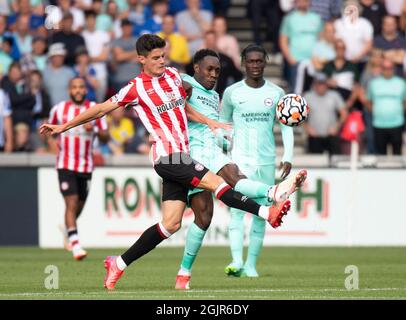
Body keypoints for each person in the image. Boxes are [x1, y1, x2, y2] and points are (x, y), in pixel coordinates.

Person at [40, 34, 307, 289]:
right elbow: (100, 109)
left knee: (170, 224)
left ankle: (118, 263)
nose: (162, 61)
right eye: (156, 58)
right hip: (167, 156)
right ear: (141, 59)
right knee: (217, 183)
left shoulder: (171, 77)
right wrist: (63, 126)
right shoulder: (135, 88)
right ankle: (266, 211)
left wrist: (209, 121)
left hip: (183, 156)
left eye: (163, 56)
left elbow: (183, 107)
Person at [175, 45, 295, 290]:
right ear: (196, 68)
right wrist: (180, 84)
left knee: (208, 212)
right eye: (209, 69)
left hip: (218, 153)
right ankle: (272, 194)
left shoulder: (216, 95)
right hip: (191, 157)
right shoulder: (187, 83)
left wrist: (221, 138)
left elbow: (220, 126)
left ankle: (184, 273)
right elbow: (176, 86)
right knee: (181, 222)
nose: (213, 74)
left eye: (217, 70)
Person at [221, 45, 295, 278]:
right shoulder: (232, 92)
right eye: (250, 61)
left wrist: (288, 156)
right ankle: (236, 261)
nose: (255, 65)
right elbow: (223, 125)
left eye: (259, 61)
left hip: (265, 161)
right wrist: (223, 155)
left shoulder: (276, 93)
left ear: (266, 62)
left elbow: (286, 127)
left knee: (262, 213)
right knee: (236, 211)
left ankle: (251, 266)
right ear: (243, 62)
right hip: (240, 161)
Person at [46, 77, 109, 260]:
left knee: (78, 206)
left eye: (81, 87)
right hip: (65, 164)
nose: (78, 90)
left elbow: (106, 136)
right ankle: (76, 246)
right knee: (71, 203)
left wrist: (95, 129)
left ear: (85, 89)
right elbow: (49, 131)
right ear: (69, 90)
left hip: (86, 166)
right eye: (75, 87)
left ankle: (68, 230)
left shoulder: (95, 109)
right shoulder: (59, 109)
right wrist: (51, 145)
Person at [365, 59, 406, 155]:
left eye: (390, 68)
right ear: (381, 69)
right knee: (380, 155)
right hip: (378, 124)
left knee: (397, 155)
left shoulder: (401, 83)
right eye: (385, 68)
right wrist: (375, 112)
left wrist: (398, 111)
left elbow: (405, 101)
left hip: (397, 124)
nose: (388, 70)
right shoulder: (373, 84)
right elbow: (369, 101)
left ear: (394, 69)